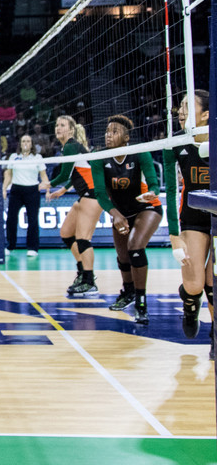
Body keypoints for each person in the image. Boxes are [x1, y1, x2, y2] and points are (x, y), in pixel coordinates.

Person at [90, 115, 161, 325]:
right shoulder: (99, 158)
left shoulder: (140, 153)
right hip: (120, 212)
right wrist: (115, 214)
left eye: (114, 132)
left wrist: (152, 193)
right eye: (107, 131)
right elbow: (101, 194)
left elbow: (154, 184)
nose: (108, 135)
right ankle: (128, 291)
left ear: (126, 137)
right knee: (122, 257)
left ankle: (141, 303)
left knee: (135, 247)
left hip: (146, 207)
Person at [163, 91, 213, 346]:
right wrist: (174, 235)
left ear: (205, 114)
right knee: (195, 285)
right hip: (193, 218)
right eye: (180, 105)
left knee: (213, 283)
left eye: (186, 105)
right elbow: (171, 192)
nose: (180, 110)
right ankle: (191, 304)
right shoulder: (175, 143)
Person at [42, 115, 102, 298]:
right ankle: (82, 271)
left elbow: (63, 174)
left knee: (83, 239)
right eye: (56, 125)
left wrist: (47, 184)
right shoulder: (69, 147)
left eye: (62, 125)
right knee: (66, 234)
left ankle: (90, 282)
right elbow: (76, 172)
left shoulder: (70, 146)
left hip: (93, 195)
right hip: (84, 194)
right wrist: (64, 190)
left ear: (70, 130)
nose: (58, 128)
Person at [3, 134, 48, 258]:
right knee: (11, 219)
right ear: (20, 143)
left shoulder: (37, 157)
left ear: (32, 144)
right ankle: (10, 245)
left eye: (28, 141)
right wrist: (4, 189)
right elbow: (8, 175)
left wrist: (47, 188)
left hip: (32, 190)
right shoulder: (14, 157)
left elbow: (44, 176)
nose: (26, 143)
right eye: (23, 141)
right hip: (16, 189)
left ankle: (32, 248)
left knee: (33, 220)